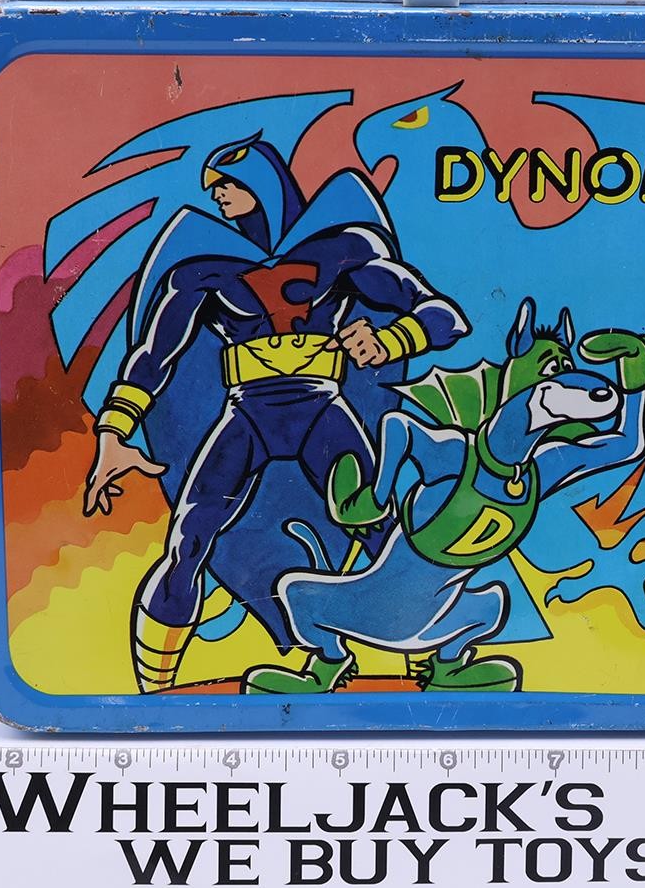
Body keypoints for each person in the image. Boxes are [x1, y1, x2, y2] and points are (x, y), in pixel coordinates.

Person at [83, 132, 468, 692]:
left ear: (261, 182)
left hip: (321, 412)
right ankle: (153, 689)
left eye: (226, 185)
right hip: (248, 416)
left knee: (381, 530)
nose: (217, 196)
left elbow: (445, 316)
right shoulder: (201, 272)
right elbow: (153, 357)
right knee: (189, 539)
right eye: (214, 189)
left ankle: (429, 658)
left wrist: (393, 341)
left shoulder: (343, 250)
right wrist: (114, 431)